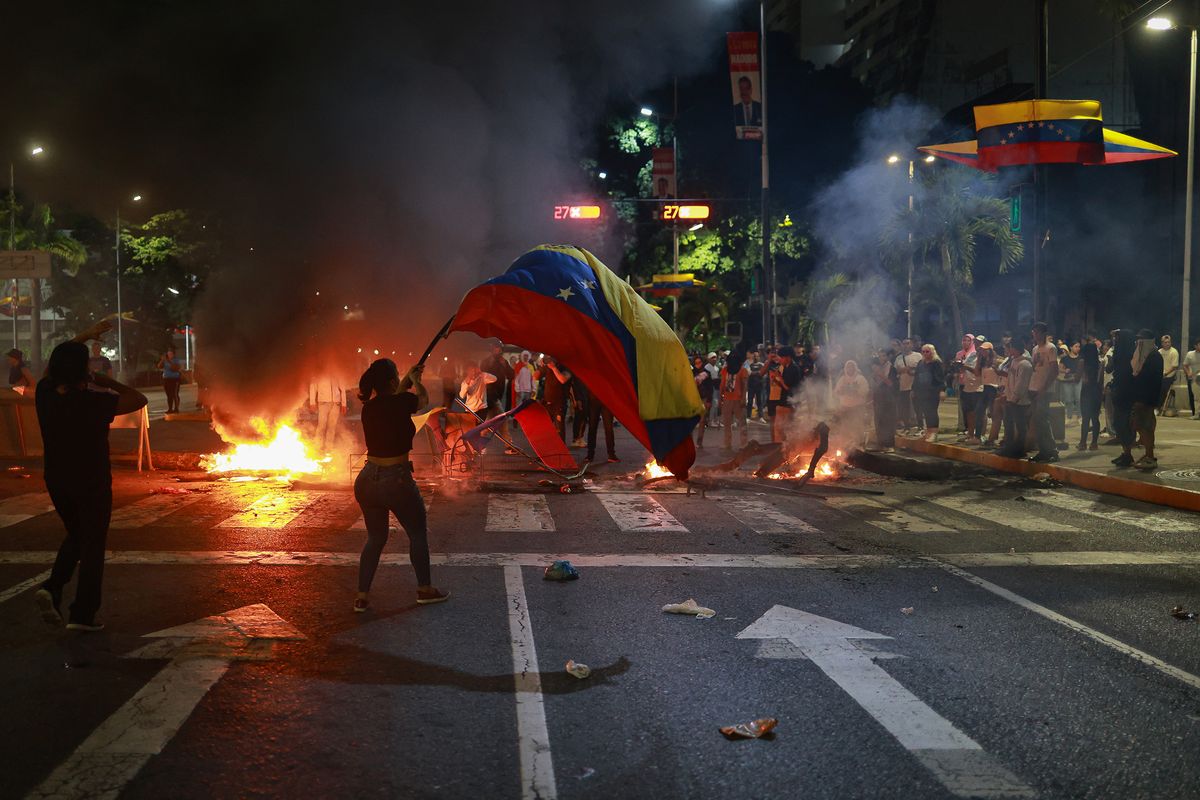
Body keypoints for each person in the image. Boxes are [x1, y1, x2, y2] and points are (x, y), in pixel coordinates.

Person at [33, 320, 147, 631]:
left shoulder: (45, 394)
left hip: (56, 480)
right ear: (84, 372)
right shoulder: (94, 401)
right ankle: (82, 615)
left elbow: (54, 366)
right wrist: (101, 379)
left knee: (79, 536)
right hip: (92, 484)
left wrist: (82, 336)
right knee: (92, 546)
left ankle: (53, 588)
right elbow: (138, 399)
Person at [353, 359, 447, 611]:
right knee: (416, 533)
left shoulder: (369, 407)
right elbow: (423, 399)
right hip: (396, 479)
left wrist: (405, 376)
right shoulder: (402, 403)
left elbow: (392, 395)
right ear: (393, 382)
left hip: (367, 479)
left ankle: (361, 596)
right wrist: (416, 380)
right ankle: (424, 589)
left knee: (375, 538)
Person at [1132, 329, 1164, 470]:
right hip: (1141, 398)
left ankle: (1150, 456)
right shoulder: (1146, 356)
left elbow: (1152, 381)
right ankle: (1147, 454)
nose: (1139, 342)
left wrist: (1145, 400)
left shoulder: (1154, 356)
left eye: (1141, 339)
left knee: (1146, 427)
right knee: (1139, 426)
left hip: (1146, 399)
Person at [1028, 322, 1060, 463]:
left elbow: (1054, 371)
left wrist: (1043, 388)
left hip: (1044, 390)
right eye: (1033, 332)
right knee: (1037, 421)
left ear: (1042, 333)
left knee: (1043, 420)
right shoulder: (1035, 349)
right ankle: (1043, 450)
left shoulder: (1050, 348)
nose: (1034, 335)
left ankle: (1052, 450)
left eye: (1036, 332)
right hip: (1033, 388)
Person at [997, 338, 1032, 459]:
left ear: (1015, 348)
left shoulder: (1025, 364)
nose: (1008, 350)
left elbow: (1021, 383)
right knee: (1008, 424)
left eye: (1010, 347)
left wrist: (1015, 397)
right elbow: (1010, 381)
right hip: (1010, 398)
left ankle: (1020, 449)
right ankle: (1009, 447)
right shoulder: (1014, 361)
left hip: (1020, 401)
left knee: (1021, 426)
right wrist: (1006, 395)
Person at [913, 344, 945, 442]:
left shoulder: (936, 363)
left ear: (932, 352)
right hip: (922, 392)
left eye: (928, 351)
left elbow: (941, 378)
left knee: (932, 412)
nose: (925, 353)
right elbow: (916, 377)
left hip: (933, 391)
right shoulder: (920, 363)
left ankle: (933, 433)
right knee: (925, 412)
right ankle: (928, 432)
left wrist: (942, 390)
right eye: (923, 351)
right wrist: (913, 389)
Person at [308, 375, 346, 454]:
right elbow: (313, 387)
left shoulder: (336, 371)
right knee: (321, 426)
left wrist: (344, 404)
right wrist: (312, 402)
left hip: (336, 403)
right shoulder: (319, 372)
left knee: (332, 427)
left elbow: (342, 388)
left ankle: (329, 449)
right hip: (323, 403)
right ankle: (317, 448)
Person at [719, 350, 749, 450]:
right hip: (727, 399)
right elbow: (722, 385)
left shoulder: (743, 370)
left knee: (742, 423)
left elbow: (745, 386)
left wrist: (744, 399)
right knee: (727, 423)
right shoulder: (725, 370)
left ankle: (744, 443)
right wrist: (720, 398)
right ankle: (727, 442)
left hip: (738, 399)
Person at [772, 347, 801, 443]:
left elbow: (789, 388)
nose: (779, 360)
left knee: (785, 429)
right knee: (779, 429)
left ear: (788, 357)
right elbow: (784, 385)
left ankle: (785, 451)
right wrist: (776, 380)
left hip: (788, 404)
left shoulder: (793, 369)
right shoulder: (786, 367)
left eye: (781, 357)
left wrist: (779, 377)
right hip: (783, 402)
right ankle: (780, 450)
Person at [1077, 339, 1102, 451]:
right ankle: (1094, 443)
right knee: (1095, 418)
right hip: (1096, 392)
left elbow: (1078, 377)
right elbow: (1100, 381)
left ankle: (1083, 443)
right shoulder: (1100, 364)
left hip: (1086, 391)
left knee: (1085, 418)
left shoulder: (1083, 363)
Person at [870, 352, 897, 450]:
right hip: (878, 399)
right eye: (879, 356)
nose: (881, 358)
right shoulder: (876, 368)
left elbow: (891, 384)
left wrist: (880, 374)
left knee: (888, 422)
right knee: (878, 422)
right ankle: (880, 444)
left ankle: (890, 445)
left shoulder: (891, 369)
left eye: (883, 356)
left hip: (888, 399)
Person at [894, 338, 921, 433]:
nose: (905, 345)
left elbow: (922, 369)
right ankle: (907, 427)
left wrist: (912, 370)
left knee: (917, 407)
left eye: (908, 343)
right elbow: (895, 371)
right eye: (904, 343)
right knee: (904, 408)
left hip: (915, 387)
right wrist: (901, 370)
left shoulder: (918, 356)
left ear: (912, 345)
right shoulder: (898, 358)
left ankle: (920, 427)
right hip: (903, 387)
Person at [693, 356, 713, 446]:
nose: (698, 364)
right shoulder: (691, 373)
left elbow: (710, 388)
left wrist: (709, 400)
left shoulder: (707, 373)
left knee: (702, 421)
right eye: (696, 363)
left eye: (699, 362)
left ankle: (699, 442)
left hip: (704, 398)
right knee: (691, 421)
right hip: (693, 399)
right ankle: (690, 443)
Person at [157, 347, 183, 414]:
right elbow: (159, 366)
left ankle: (176, 408)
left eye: (171, 354)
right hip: (166, 379)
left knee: (175, 394)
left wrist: (169, 361)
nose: (169, 355)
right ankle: (170, 408)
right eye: (168, 354)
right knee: (169, 395)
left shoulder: (176, 360)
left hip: (175, 379)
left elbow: (175, 368)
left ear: (173, 354)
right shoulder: (165, 360)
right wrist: (162, 360)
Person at [1158, 334, 1179, 412]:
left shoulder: (1174, 352)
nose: (1167, 344)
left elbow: (1174, 366)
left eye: (1168, 342)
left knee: (1162, 389)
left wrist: (1165, 374)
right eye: (1165, 342)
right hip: (1160, 374)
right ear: (1162, 343)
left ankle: (1158, 407)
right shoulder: (1159, 352)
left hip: (1169, 375)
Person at [746, 349, 765, 422]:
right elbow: (749, 373)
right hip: (751, 386)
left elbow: (763, 374)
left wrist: (754, 373)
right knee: (750, 401)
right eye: (754, 356)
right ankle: (748, 416)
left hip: (759, 385)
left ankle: (761, 416)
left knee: (760, 401)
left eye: (757, 356)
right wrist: (758, 373)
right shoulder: (749, 364)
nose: (756, 357)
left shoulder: (762, 364)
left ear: (759, 357)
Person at [1185, 339, 1200, 419]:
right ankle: (1196, 414)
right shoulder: (1190, 354)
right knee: (1195, 397)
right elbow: (1185, 365)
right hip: (1194, 379)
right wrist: (1188, 373)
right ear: (1195, 346)